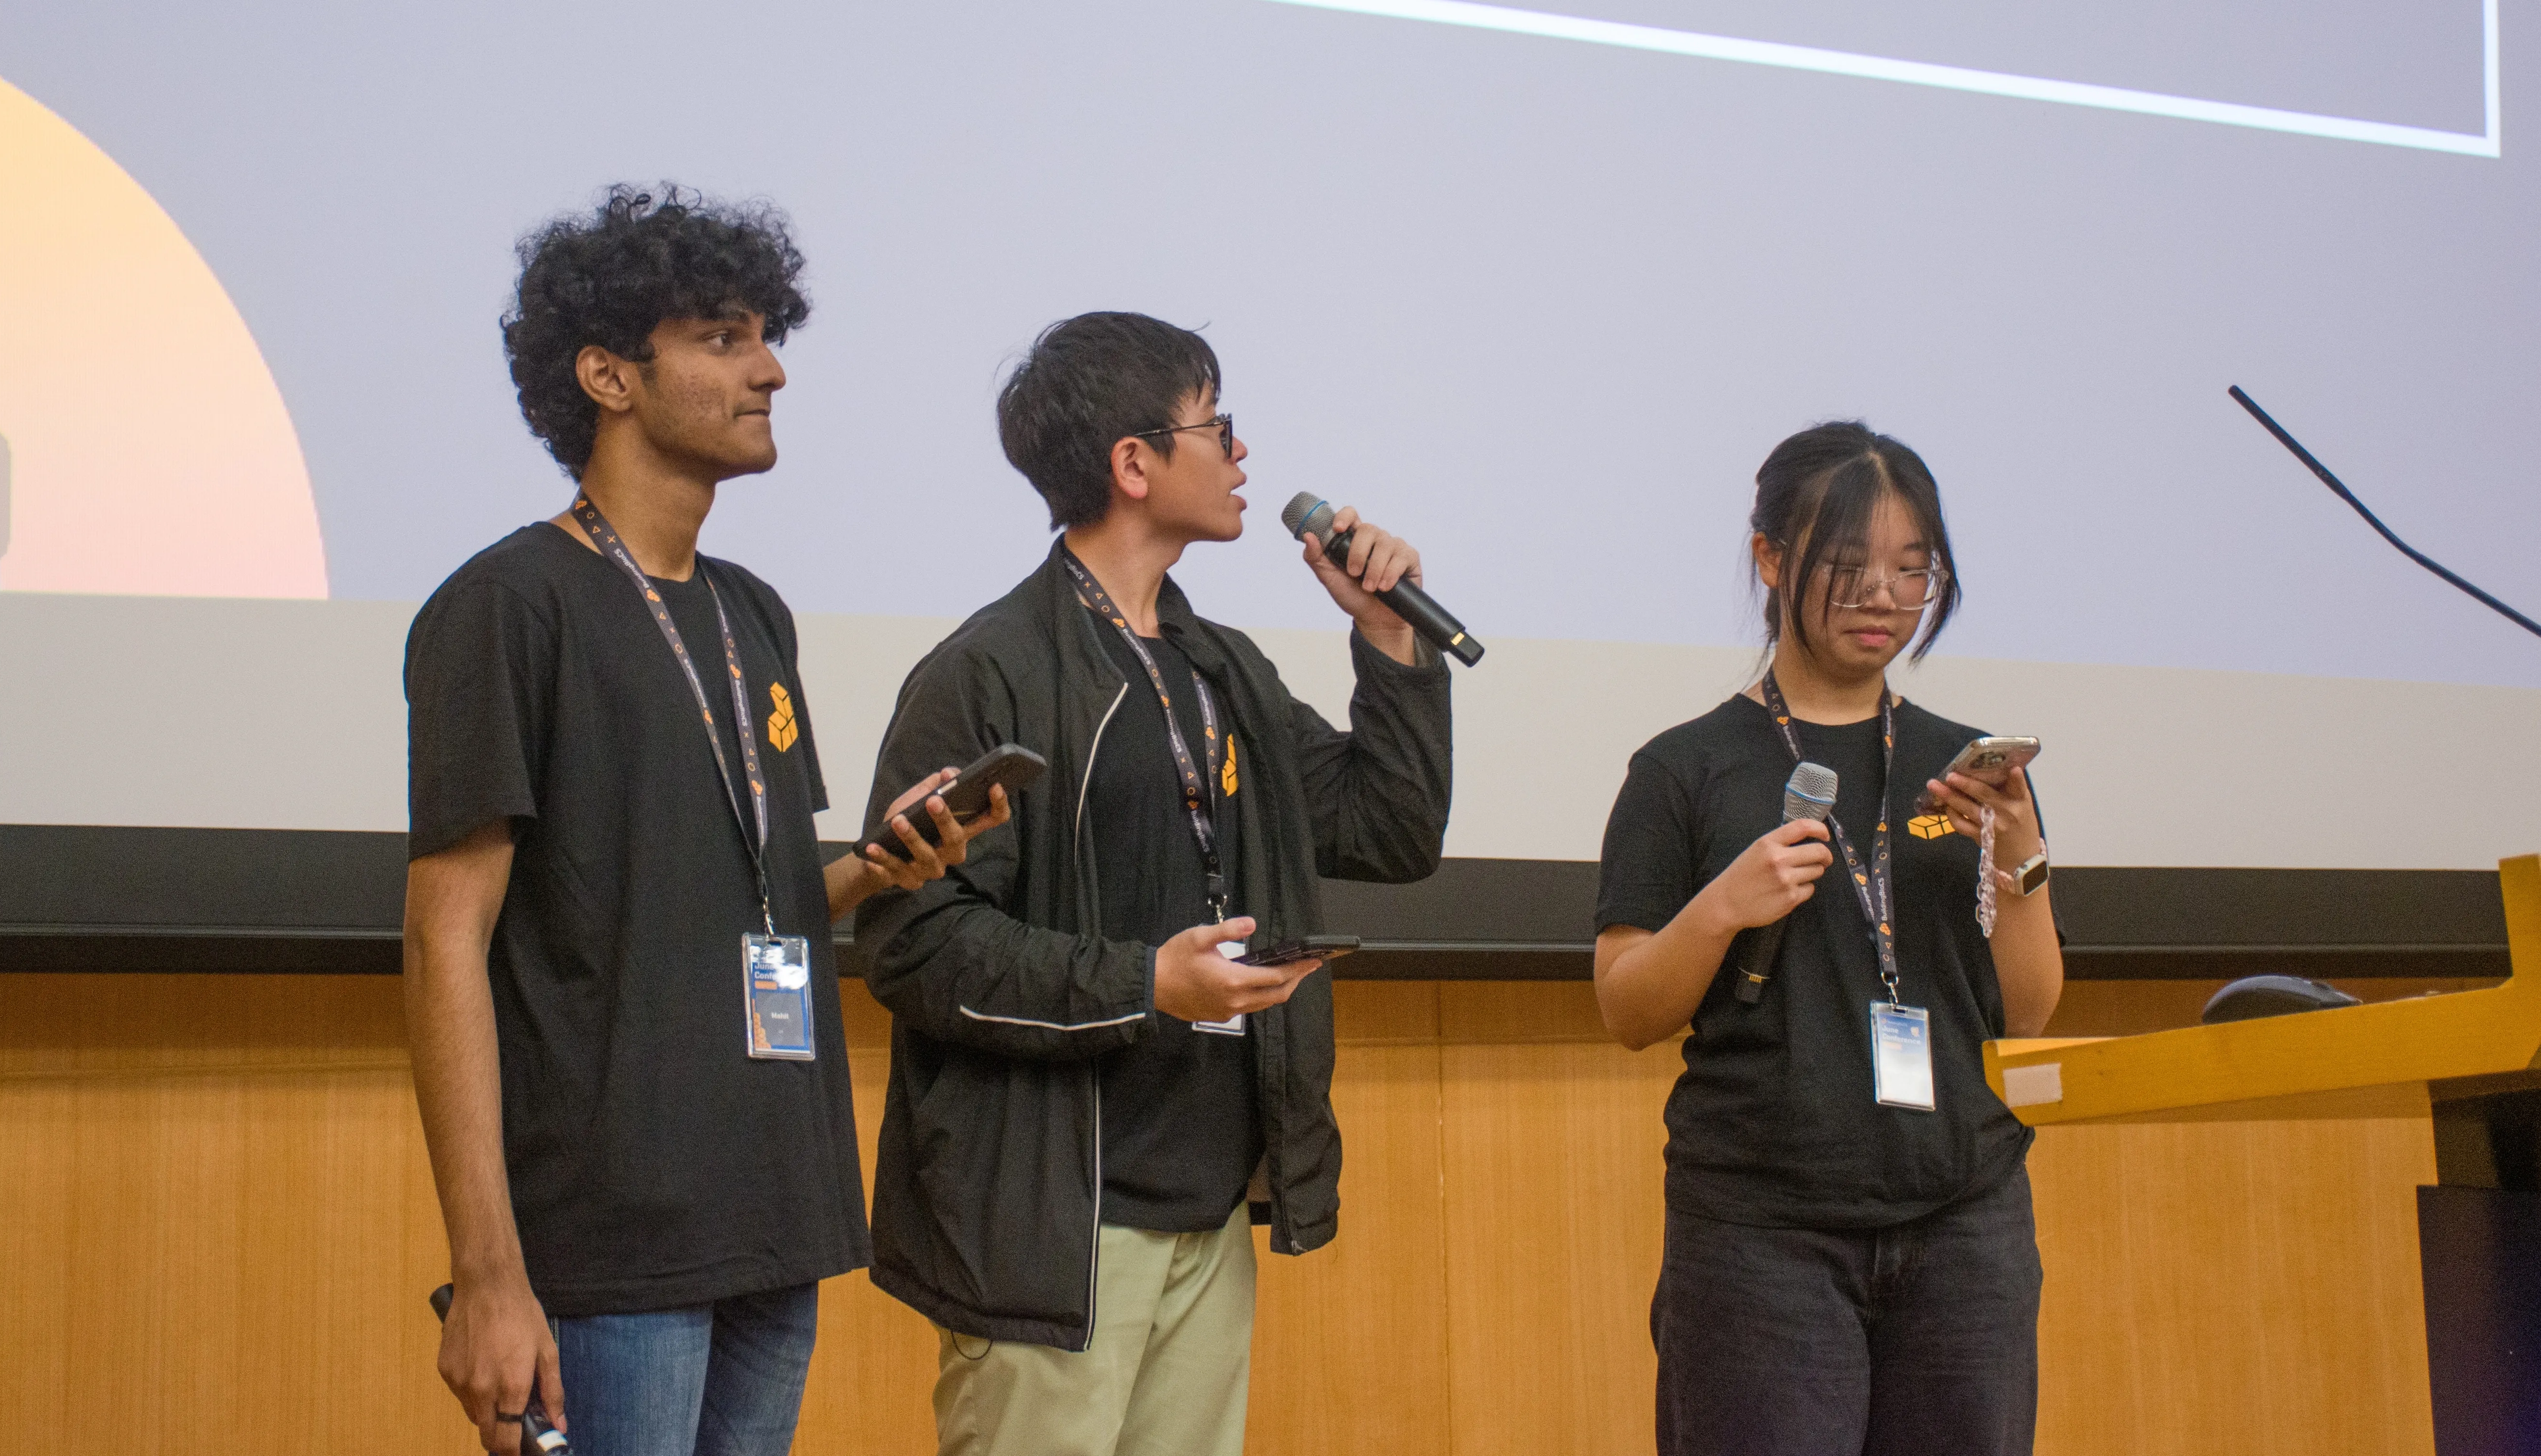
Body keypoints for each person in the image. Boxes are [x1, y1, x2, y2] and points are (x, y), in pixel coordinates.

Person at [400, 185, 1006, 1456]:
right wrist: (491, 1273)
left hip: (776, 1207)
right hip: (614, 1243)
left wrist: (871, 870)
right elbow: (443, 940)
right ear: (610, 376)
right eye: (724, 340)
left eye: (763, 337)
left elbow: (746, 900)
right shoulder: (509, 606)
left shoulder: (752, 615)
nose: (771, 369)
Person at [854, 311, 1455, 1456]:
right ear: (1134, 463)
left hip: (1210, 1206)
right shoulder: (988, 670)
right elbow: (914, 941)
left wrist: (1388, 640)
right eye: (1217, 425)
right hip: (1053, 1227)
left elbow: (1390, 828)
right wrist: (1145, 983)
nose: (1242, 456)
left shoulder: (1217, 664)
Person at [1592, 421, 2064, 1456]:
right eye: (1849, 569)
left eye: (1913, 569)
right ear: (1770, 558)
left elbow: (2026, 1012)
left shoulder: (1968, 766)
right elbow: (1626, 1005)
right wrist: (1722, 904)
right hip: (1764, 1233)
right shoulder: (1686, 769)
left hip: (1966, 1215)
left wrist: (2022, 862)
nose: (1886, 598)